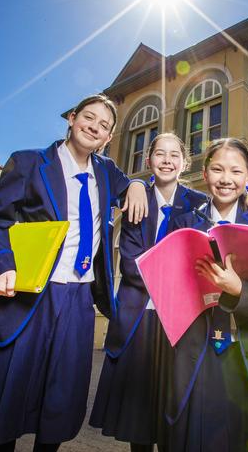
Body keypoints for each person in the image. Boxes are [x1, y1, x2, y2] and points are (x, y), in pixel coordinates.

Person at [0, 94, 149, 451]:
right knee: (6, 395)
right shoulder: (28, 163)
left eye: (103, 125)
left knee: (60, 400)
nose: (94, 127)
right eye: (88, 117)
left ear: (108, 138)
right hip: (33, 294)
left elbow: (129, 181)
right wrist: (1, 266)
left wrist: (137, 184)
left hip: (80, 299)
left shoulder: (106, 172)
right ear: (72, 118)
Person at [160, 138, 248, 452]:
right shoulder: (183, 224)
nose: (226, 179)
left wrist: (239, 290)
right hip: (196, 350)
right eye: (217, 169)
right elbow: (168, 287)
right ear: (205, 172)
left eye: (235, 171)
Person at [90, 133, 207, 452]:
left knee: (175, 415)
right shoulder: (135, 201)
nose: (167, 160)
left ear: (185, 163)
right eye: (160, 153)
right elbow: (131, 262)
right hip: (139, 321)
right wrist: (175, 269)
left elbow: (200, 261)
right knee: (138, 420)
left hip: (180, 324)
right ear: (148, 161)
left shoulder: (200, 205)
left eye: (174, 154)